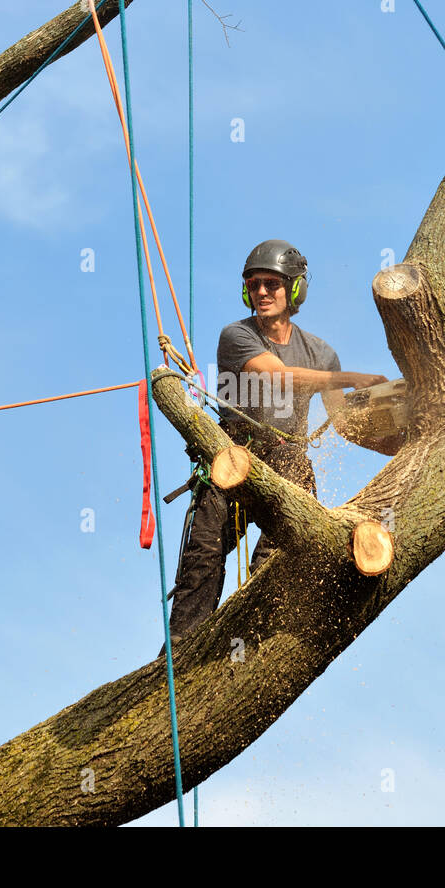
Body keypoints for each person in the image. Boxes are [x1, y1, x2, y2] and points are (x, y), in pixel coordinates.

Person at [159, 239, 390, 656]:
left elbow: (345, 424)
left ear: (295, 290)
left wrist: (397, 435)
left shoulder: (321, 353)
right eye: (254, 284)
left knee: (284, 553)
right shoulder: (237, 335)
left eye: (271, 284)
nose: (261, 292)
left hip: (286, 462)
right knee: (203, 559)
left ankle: (259, 631)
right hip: (234, 456)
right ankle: (179, 653)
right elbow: (279, 377)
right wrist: (351, 376)